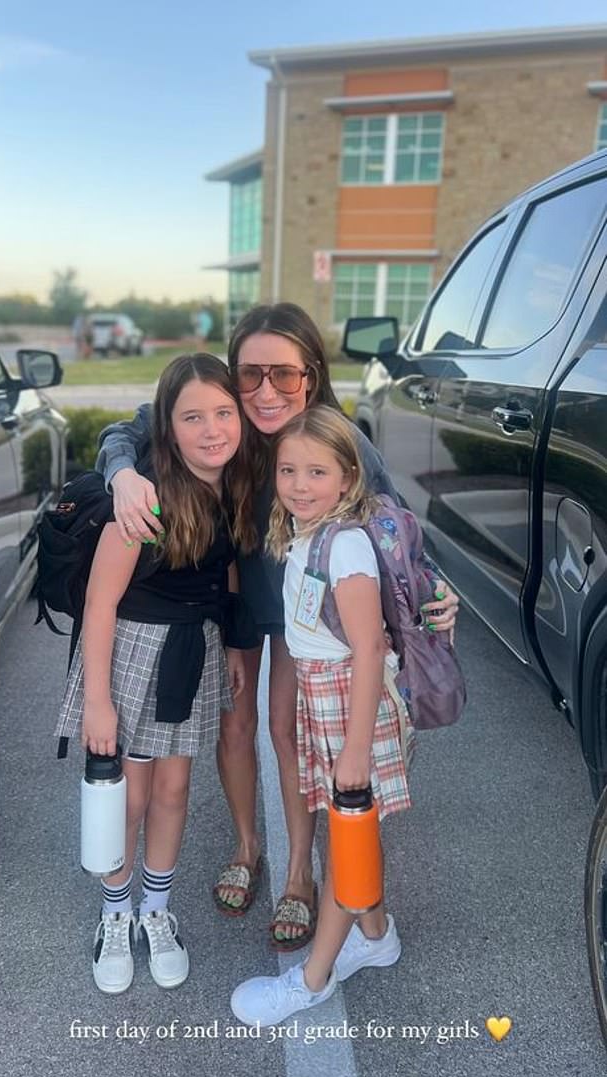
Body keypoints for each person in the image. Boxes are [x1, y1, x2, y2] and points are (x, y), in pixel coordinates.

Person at [95, 303, 459, 951]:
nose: (265, 392)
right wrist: (121, 474)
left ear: (311, 377)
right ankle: (245, 843)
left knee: (285, 727)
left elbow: (395, 524)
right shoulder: (218, 420)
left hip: (301, 610)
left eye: (283, 376)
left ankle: (299, 872)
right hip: (228, 596)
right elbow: (129, 430)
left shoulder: (335, 437)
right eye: (250, 374)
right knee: (234, 723)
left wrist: (432, 591)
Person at [55, 353, 257, 995]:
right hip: (133, 657)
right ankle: (115, 916)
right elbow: (100, 602)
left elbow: (223, 573)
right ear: (166, 426)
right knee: (130, 798)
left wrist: (227, 642)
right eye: (193, 416)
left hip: (191, 655)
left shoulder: (234, 487)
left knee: (173, 793)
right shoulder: (143, 497)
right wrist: (97, 701)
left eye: (224, 413)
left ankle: (155, 911)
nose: (212, 429)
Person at [230, 405, 417, 1026]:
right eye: (288, 470)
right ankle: (377, 935)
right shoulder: (305, 532)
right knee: (354, 835)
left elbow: (367, 647)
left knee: (346, 842)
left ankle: (311, 980)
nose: (300, 485)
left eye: (317, 471)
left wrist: (356, 749)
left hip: (351, 703)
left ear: (348, 480)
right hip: (323, 695)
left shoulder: (346, 545)